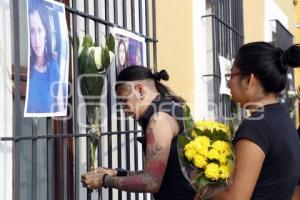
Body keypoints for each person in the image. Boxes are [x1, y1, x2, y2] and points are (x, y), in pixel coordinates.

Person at [195, 42, 300, 200]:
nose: (229, 83)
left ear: (249, 80)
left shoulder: (256, 127)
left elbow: (236, 197)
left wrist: (200, 186)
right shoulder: (283, 119)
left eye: (231, 75)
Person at [81, 65, 196, 199]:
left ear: (140, 90)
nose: (124, 110)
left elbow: (151, 182)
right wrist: (115, 173)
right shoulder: (171, 107)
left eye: (125, 101)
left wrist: (104, 180)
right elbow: (158, 173)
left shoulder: (158, 121)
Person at [27, 2, 61, 113]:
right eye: (32, 31)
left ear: (45, 32)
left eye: (40, 30)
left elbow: (60, 110)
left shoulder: (53, 68)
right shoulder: (26, 69)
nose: (37, 39)